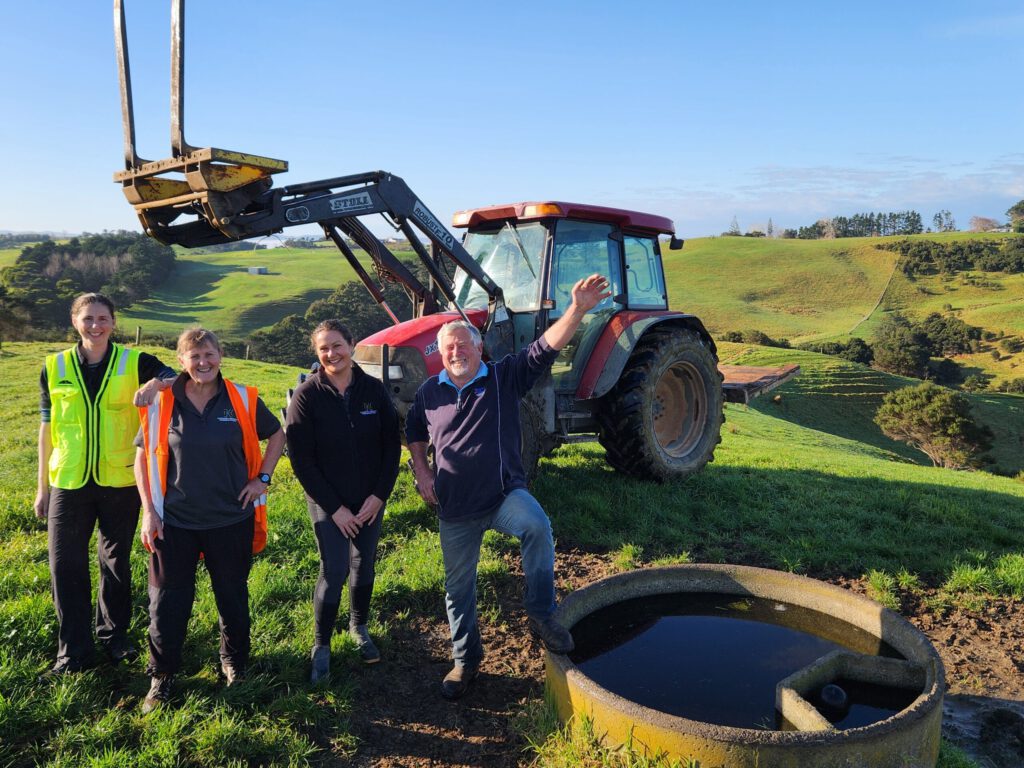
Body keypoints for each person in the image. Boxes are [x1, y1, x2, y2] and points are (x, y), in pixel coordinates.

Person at [406, 273, 611, 700]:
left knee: (536, 526)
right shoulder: (429, 392)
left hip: (502, 496)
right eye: (449, 348)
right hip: (456, 507)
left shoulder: (503, 378)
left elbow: (545, 347)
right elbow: (414, 434)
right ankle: (466, 661)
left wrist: (576, 309)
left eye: (464, 344)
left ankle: (540, 614)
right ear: (440, 355)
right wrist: (422, 471)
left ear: (479, 347)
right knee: (457, 588)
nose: (457, 352)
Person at [134, 327, 284, 713]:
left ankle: (234, 662)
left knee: (232, 596)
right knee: (167, 602)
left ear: (221, 356)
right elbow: (141, 457)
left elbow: (277, 435)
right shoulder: (162, 401)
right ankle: (162, 676)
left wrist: (261, 479)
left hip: (230, 518)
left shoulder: (243, 398)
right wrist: (149, 511)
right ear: (181, 361)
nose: (203, 363)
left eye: (209, 355)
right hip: (174, 522)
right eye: (194, 356)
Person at [35, 292, 176, 677]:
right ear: (75, 321)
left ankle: (114, 638)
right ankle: (73, 653)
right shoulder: (54, 366)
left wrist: (156, 387)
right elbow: (47, 428)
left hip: (120, 479)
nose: (95, 326)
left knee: (115, 562)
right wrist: (42, 488)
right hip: (68, 479)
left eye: (102, 318)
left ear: (114, 323)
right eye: (88, 319)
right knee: (65, 565)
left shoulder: (135, 361)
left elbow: (176, 375)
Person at [286, 320, 401, 682]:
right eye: (324, 349)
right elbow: (301, 460)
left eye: (337, 345)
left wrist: (378, 497)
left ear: (351, 345)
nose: (332, 354)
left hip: (368, 499)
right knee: (334, 568)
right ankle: (321, 644)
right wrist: (335, 509)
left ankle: (359, 628)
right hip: (327, 501)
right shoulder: (307, 396)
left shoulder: (373, 390)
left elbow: (390, 447)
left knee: (363, 562)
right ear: (317, 353)